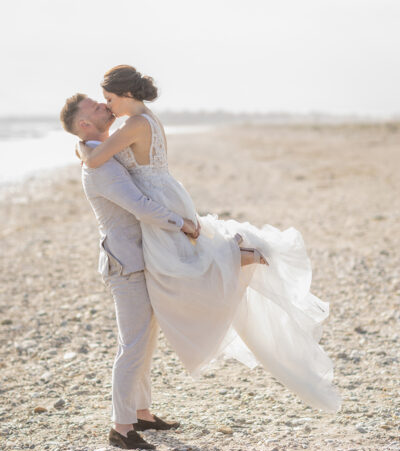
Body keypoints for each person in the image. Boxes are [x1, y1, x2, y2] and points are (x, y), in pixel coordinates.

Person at [78, 65, 342, 415]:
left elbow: (96, 158)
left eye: (110, 99)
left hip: (158, 199)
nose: (108, 106)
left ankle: (233, 254)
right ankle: (233, 253)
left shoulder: (132, 124)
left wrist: (81, 147)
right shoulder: (148, 118)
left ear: (126, 94)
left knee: (175, 270)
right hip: (168, 192)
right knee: (179, 260)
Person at [60, 94, 201, 450]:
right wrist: (180, 223)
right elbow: (139, 206)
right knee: (133, 344)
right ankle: (121, 428)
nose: (104, 107)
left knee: (145, 339)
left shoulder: (102, 152)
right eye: (96, 107)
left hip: (137, 258)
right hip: (124, 263)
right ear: (84, 125)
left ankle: (141, 412)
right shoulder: (100, 167)